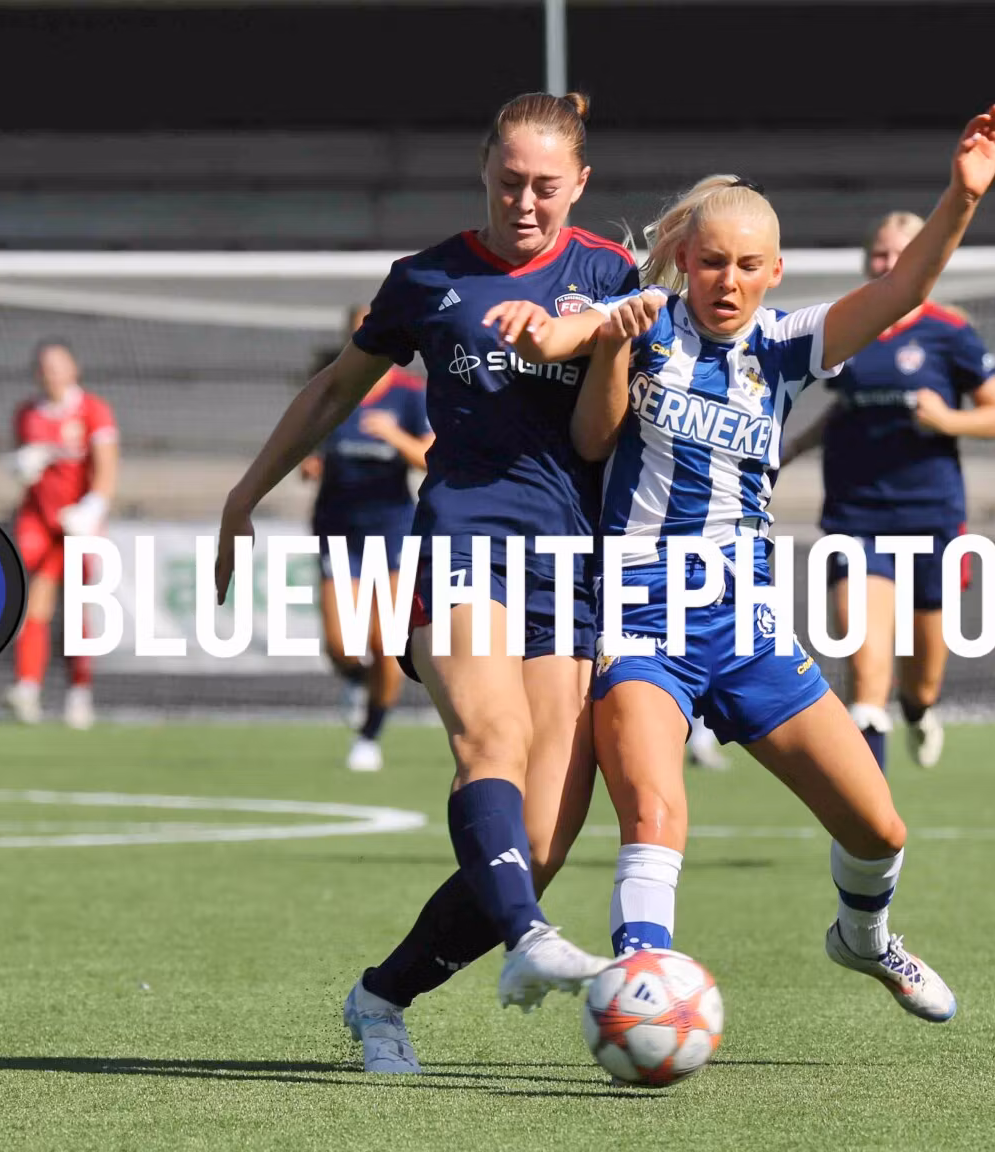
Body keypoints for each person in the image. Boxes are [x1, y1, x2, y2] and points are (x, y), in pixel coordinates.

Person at [509, 105, 995, 1024]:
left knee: (880, 827)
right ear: (684, 264)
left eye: (748, 267)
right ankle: (640, 995)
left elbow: (900, 295)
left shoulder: (785, 344)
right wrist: (595, 342)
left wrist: (960, 199)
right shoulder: (647, 321)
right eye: (711, 263)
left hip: (744, 626)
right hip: (637, 616)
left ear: (774, 272)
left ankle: (863, 938)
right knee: (656, 818)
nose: (728, 283)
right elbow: (589, 437)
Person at [214, 92, 637, 1074]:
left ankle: (380, 997)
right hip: (458, 538)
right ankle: (531, 940)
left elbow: (603, 437)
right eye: (507, 181)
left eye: (544, 185)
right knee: (487, 739)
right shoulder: (425, 279)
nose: (524, 201)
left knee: (534, 847)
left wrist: (605, 341)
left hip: (566, 565)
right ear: (483, 173)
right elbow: (331, 391)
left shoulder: (611, 277)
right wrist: (244, 494)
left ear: (577, 185)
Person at [781, 211, 995, 771]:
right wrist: (788, 450)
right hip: (855, 519)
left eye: (901, 255)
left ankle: (917, 710)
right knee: (865, 672)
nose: (888, 265)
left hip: (932, 521)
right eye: (880, 255)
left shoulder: (949, 332)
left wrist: (948, 421)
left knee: (923, 679)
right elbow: (845, 408)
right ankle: (869, 829)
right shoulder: (849, 325)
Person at [300, 306, 434, 772]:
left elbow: (430, 459)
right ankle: (354, 681)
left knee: (385, 641)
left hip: (393, 529)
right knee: (339, 644)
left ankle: (370, 734)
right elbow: (307, 445)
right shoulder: (333, 389)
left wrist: (394, 437)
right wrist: (310, 464)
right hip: (339, 528)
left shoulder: (409, 396)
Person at [6, 340, 118, 730]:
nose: (52, 373)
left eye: (59, 365)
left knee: (77, 608)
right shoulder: (27, 414)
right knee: (35, 599)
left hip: (78, 521)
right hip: (39, 519)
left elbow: (106, 470)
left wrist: (91, 509)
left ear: (74, 368)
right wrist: (21, 465)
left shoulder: (93, 410)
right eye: (45, 366)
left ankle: (79, 693)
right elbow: (20, 463)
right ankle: (28, 687)